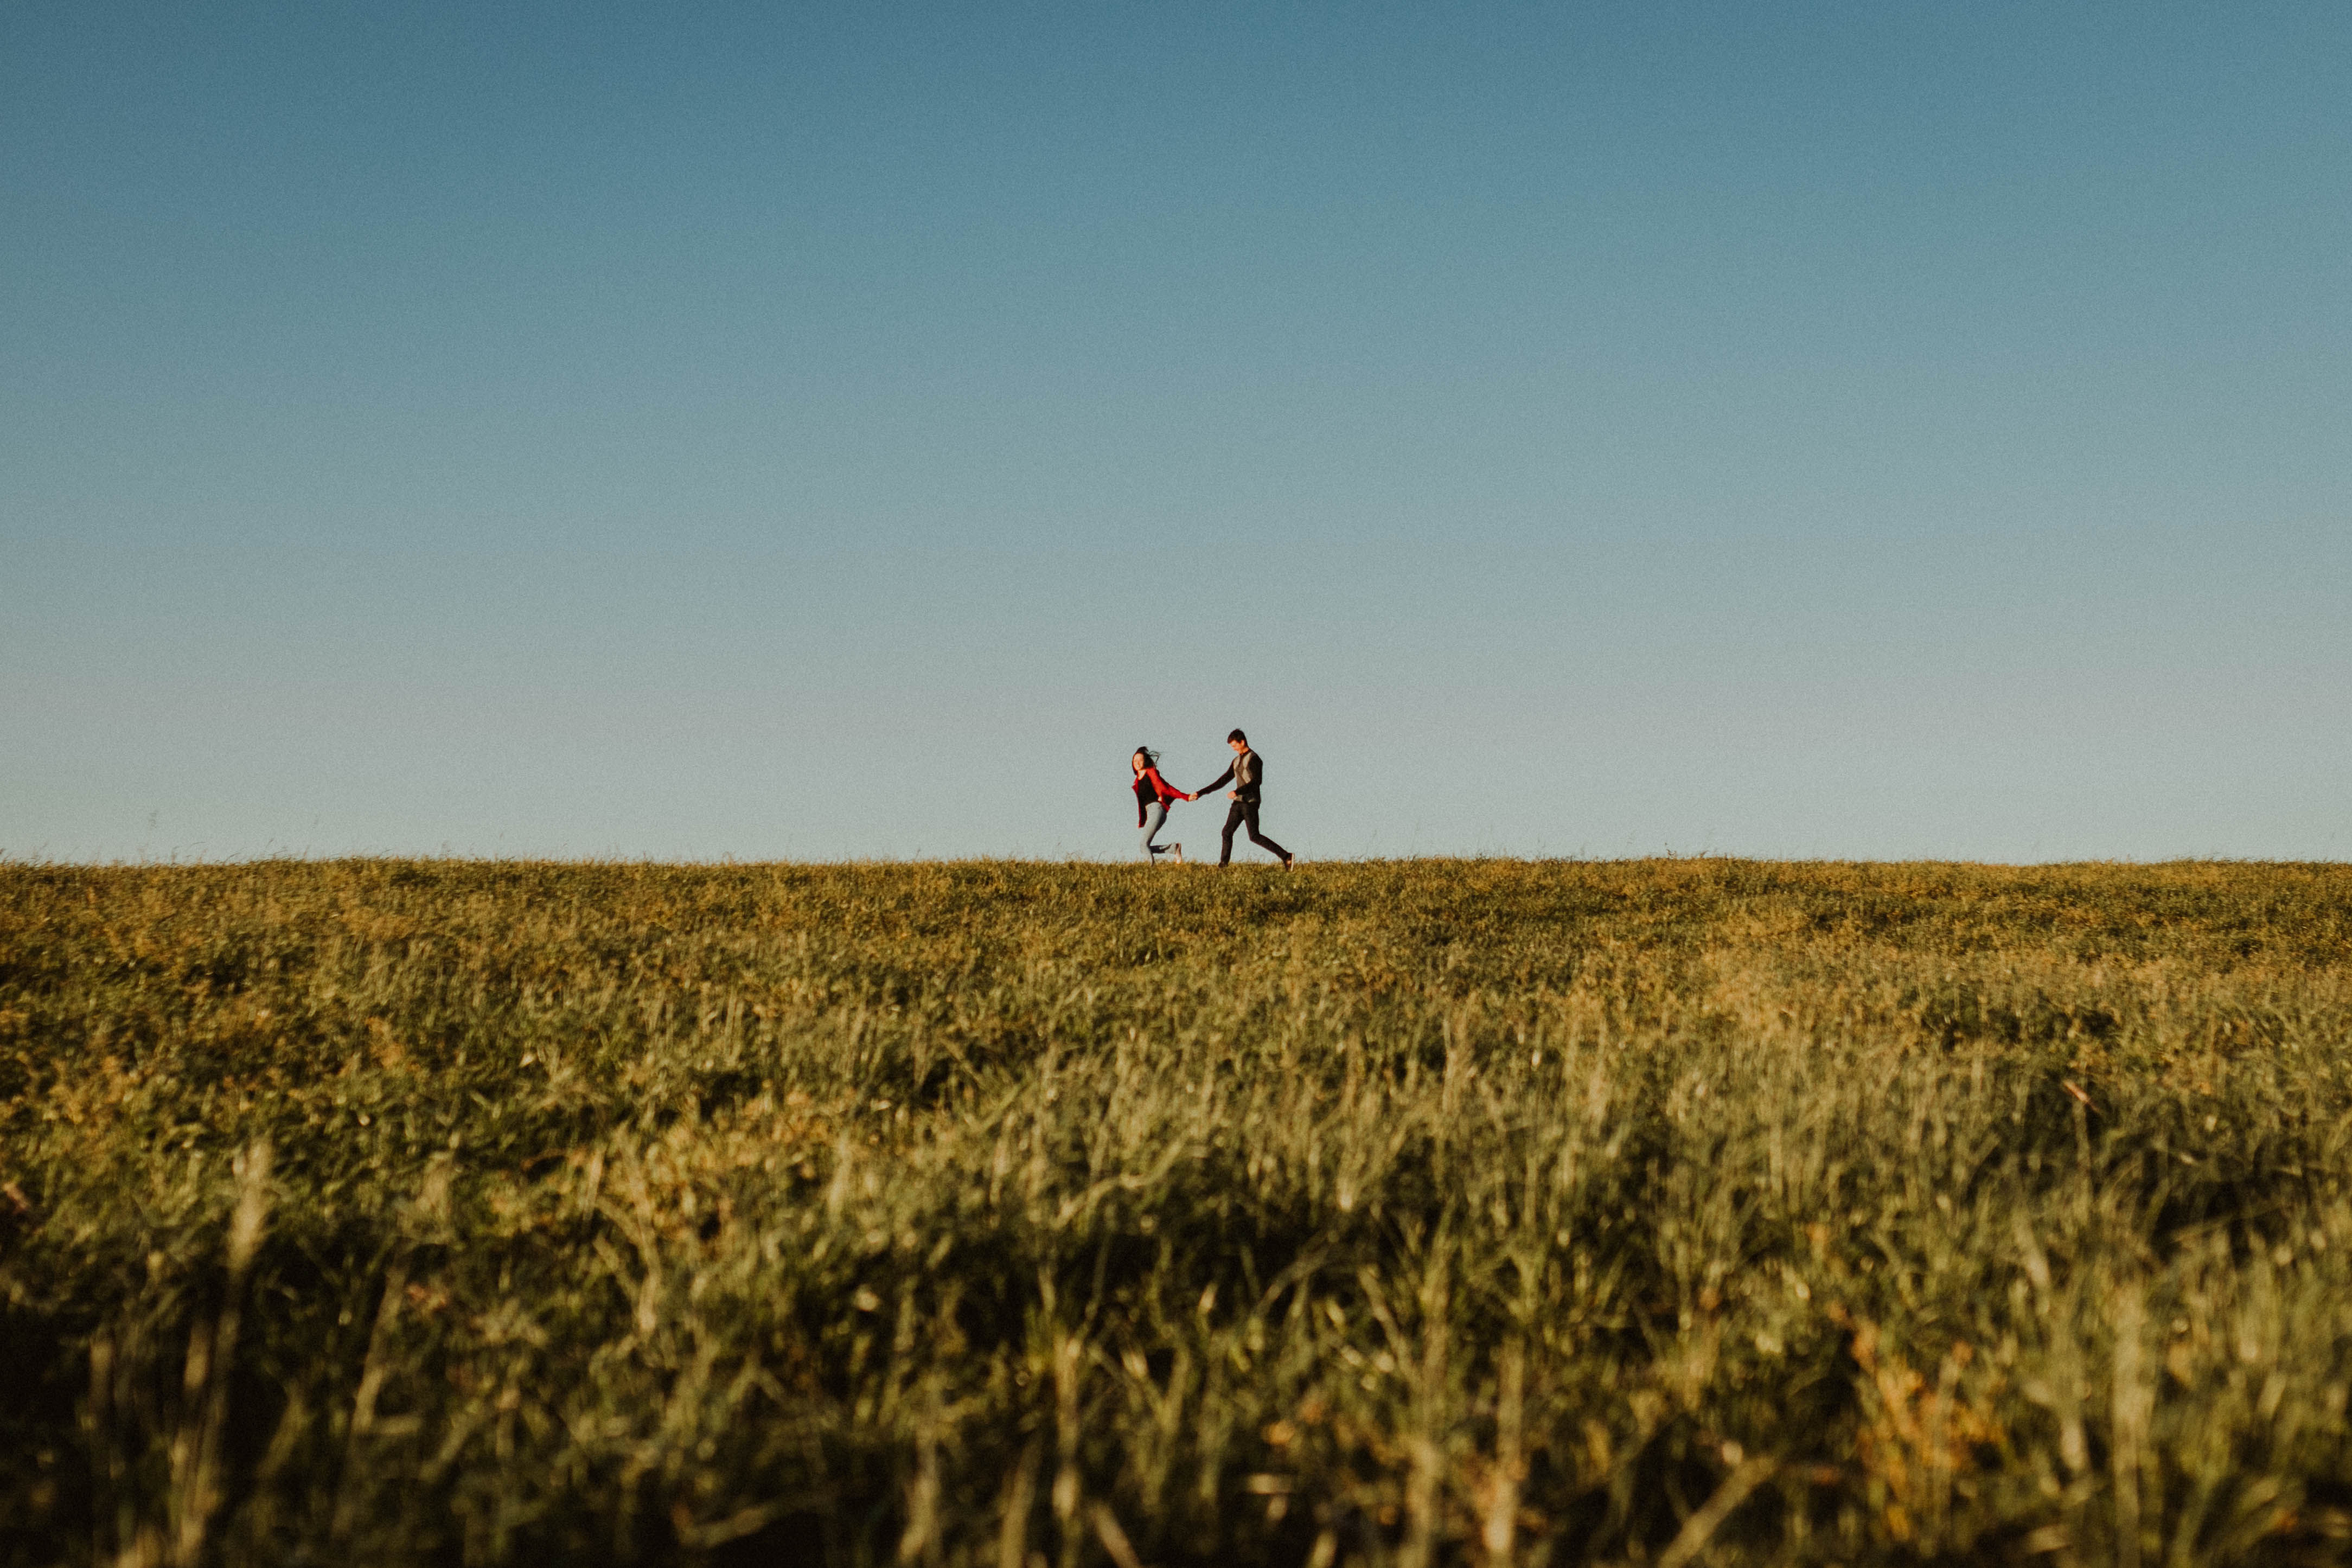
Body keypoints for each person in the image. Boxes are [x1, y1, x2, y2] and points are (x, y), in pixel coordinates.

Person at [1197, 728, 1294, 868]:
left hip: (1250, 803)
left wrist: (1237, 791)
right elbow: (1223, 780)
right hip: (1238, 804)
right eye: (1232, 747)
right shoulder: (1236, 761)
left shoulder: (1254, 759)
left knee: (1254, 836)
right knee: (1227, 832)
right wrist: (1201, 793)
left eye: (1235, 745)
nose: (1234, 749)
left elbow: (1256, 782)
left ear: (1242, 742)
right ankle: (1223, 865)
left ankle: (1286, 856)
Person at [1130, 747, 1195, 863]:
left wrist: (1186, 797)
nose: (1137, 763)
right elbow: (1142, 803)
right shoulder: (1137, 782)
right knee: (1144, 847)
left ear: (1145, 761)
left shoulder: (1151, 772)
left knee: (1143, 845)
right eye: (1135, 761)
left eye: (1140, 760)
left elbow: (1166, 788)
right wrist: (1142, 821)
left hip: (1157, 810)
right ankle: (1174, 848)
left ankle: (1150, 869)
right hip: (1151, 813)